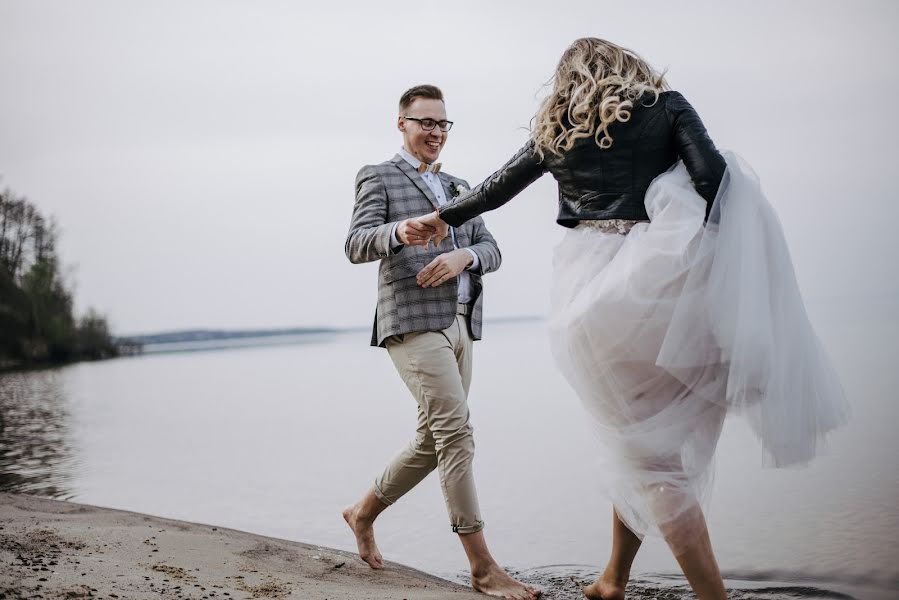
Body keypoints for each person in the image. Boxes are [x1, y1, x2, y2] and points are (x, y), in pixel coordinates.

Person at [418, 39, 849, 600]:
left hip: (590, 296)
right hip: (667, 286)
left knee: (643, 446)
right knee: (653, 453)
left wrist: (441, 216)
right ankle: (710, 595)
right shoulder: (668, 107)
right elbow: (715, 181)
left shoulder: (556, 127)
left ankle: (612, 580)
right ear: (628, 66)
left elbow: (496, 188)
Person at [343, 84, 539, 600]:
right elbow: (355, 243)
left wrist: (463, 257)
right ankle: (482, 568)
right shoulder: (378, 175)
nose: (434, 132)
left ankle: (362, 514)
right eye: (425, 122)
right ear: (402, 123)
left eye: (442, 124)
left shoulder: (459, 185)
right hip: (410, 322)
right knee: (457, 434)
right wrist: (401, 230)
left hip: (461, 323)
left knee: (433, 442)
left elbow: (491, 248)